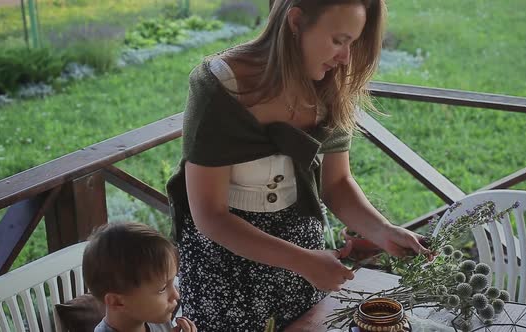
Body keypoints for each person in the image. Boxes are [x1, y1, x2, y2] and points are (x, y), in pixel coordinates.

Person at [166, 0, 430, 330]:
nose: (346, 57)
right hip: (224, 270)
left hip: (303, 260)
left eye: (352, 43)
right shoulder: (220, 86)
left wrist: (383, 231)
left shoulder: (331, 84)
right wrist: (303, 260)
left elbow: (336, 184)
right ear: (295, 22)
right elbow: (210, 215)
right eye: (338, 40)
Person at [82, 222, 197, 332]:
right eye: (162, 289)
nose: (176, 295)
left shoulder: (156, 318)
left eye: (172, 282)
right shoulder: (154, 314)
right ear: (117, 301)